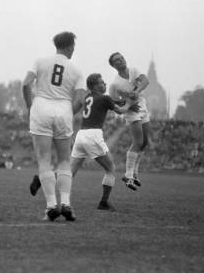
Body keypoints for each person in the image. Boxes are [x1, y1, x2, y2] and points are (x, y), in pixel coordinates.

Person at [22, 31, 85, 222]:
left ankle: (50, 206)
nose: (74, 49)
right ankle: (65, 203)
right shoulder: (76, 69)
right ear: (69, 46)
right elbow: (81, 100)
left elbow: (26, 84)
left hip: (41, 107)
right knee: (65, 161)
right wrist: (67, 112)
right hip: (64, 108)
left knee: (44, 160)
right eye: (73, 45)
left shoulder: (40, 61)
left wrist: (29, 106)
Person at [70, 73, 139, 211]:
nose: (105, 84)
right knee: (110, 169)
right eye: (102, 82)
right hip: (93, 135)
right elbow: (119, 111)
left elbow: (109, 101)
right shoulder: (104, 98)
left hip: (81, 135)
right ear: (95, 86)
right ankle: (103, 202)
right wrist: (130, 104)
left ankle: (42, 180)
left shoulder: (88, 97)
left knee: (69, 172)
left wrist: (123, 102)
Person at [108, 52, 150, 190]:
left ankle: (135, 173)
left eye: (121, 58)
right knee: (137, 142)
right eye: (117, 61)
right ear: (114, 65)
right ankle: (128, 175)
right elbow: (113, 100)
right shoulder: (115, 83)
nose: (121, 61)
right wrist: (126, 104)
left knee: (145, 142)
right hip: (131, 111)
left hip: (142, 105)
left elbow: (145, 81)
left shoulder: (133, 70)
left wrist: (136, 91)